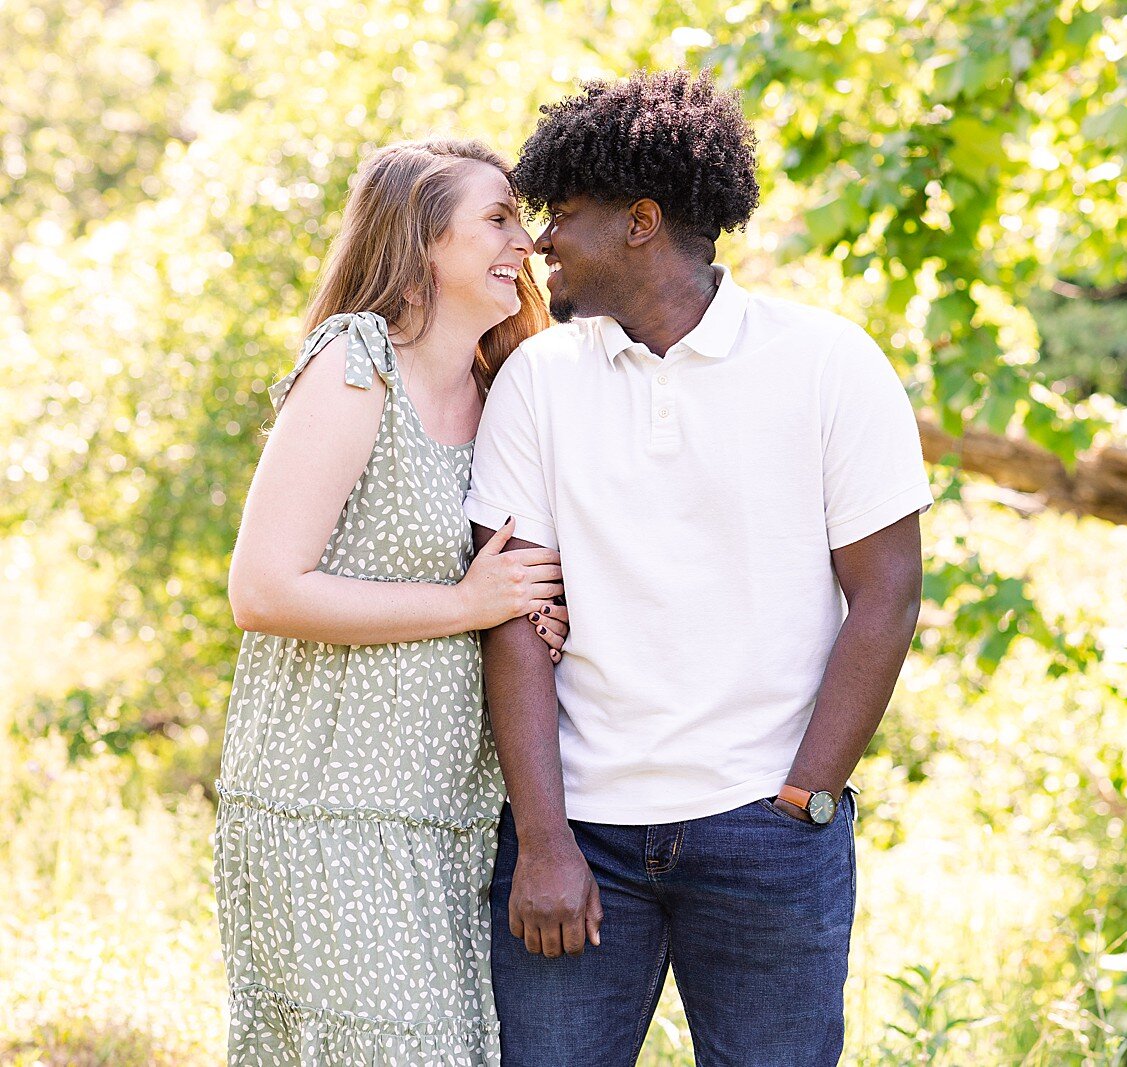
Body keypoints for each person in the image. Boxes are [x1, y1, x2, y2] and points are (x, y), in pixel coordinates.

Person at [466, 71, 932, 1066]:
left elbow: (886, 592)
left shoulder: (827, 362)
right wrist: (544, 842)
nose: (540, 240)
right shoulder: (536, 381)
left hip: (766, 826)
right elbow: (511, 616)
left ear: (641, 221)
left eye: (564, 214)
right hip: (580, 831)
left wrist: (809, 794)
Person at [216, 138, 568, 1065]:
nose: (524, 243)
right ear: (420, 240)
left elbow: (501, 585)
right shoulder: (355, 362)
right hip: (331, 807)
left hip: (449, 816)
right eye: (497, 218)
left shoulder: (504, 387)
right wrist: (468, 602)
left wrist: (536, 611)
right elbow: (262, 587)